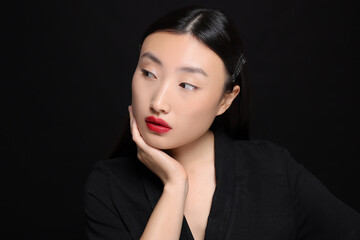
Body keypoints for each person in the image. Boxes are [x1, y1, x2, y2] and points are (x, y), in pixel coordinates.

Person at [83, 6, 360, 240]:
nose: (158, 102)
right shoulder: (108, 185)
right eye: (149, 73)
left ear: (226, 100)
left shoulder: (273, 170)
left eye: (187, 85)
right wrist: (175, 186)